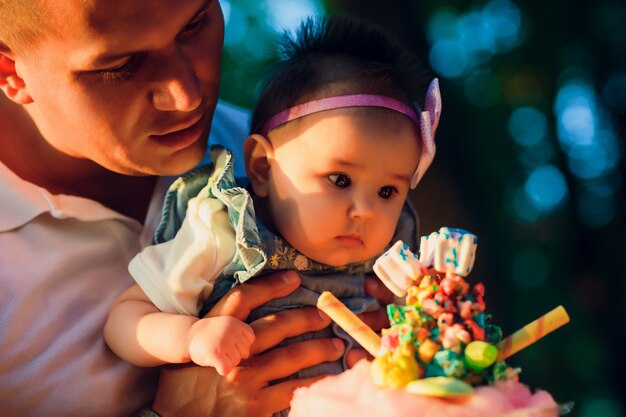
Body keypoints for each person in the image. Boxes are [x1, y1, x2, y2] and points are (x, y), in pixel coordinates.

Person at [0, 1, 396, 416]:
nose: (186, 96)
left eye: (194, 25)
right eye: (121, 64)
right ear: (11, 71)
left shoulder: (297, 159)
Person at [103, 15, 442, 413]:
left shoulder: (392, 262)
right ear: (262, 168)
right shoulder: (224, 230)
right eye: (339, 179)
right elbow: (125, 321)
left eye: (388, 191)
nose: (365, 211)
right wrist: (192, 336)